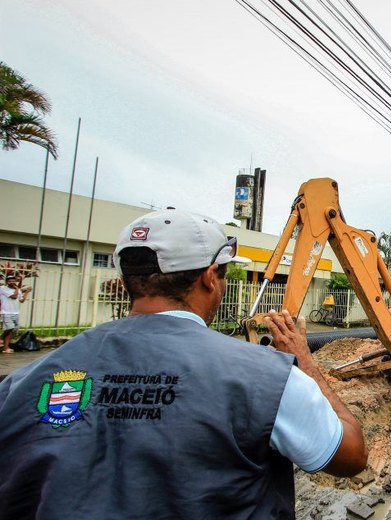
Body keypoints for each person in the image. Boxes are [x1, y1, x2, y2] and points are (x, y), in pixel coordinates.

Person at [0, 209, 368, 518]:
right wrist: (304, 362)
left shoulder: (24, 382)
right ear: (210, 278)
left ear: (129, 280)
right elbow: (350, 455)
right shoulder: (267, 378)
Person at [0, 274, 32, 353]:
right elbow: (14, 296)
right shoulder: (3, 288)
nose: (12, 282)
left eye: (13, 281)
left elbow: (22, 300)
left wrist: (27, 292)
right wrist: (17, 288)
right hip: (6, 312)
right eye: (10, 281)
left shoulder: (17, 290)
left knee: (12, 330)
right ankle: (0, 338)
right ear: (7, 282)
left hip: (16, 312)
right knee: (9, 328)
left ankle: (5, 348)